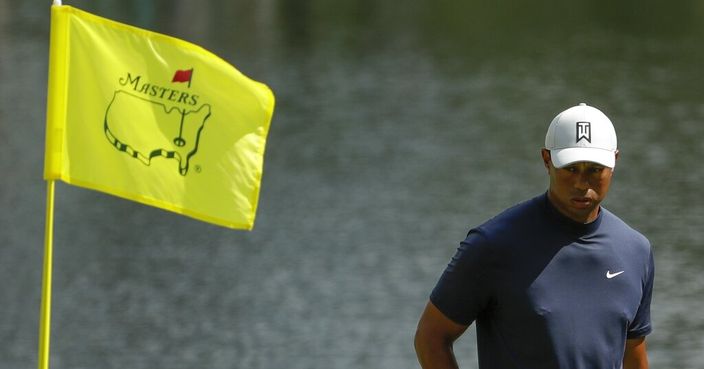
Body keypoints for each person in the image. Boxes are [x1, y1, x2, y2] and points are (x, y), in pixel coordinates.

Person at [414, 103, 654, 369]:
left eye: (594, 170)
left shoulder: (635, 251)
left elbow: (633, 353)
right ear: (546, 159)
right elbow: (431, 338)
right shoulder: (493, 245)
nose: (581, 183)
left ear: (615, 162)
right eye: (571, 168)